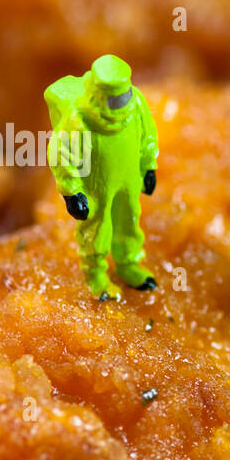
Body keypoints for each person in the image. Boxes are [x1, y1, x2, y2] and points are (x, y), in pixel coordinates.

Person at [44, 54, 158, 300]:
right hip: (96, 185)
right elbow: (62, 154)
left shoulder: (136, 103)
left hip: (128, 181)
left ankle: (128, 264)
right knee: (97, 228)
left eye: (123, 95)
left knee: (129, 221)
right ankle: (95, 274)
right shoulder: (79, 120)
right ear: (98, 94)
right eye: (114, 99)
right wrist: (72, 191)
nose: (121, 103)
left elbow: (147, 135)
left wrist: (149, 166)